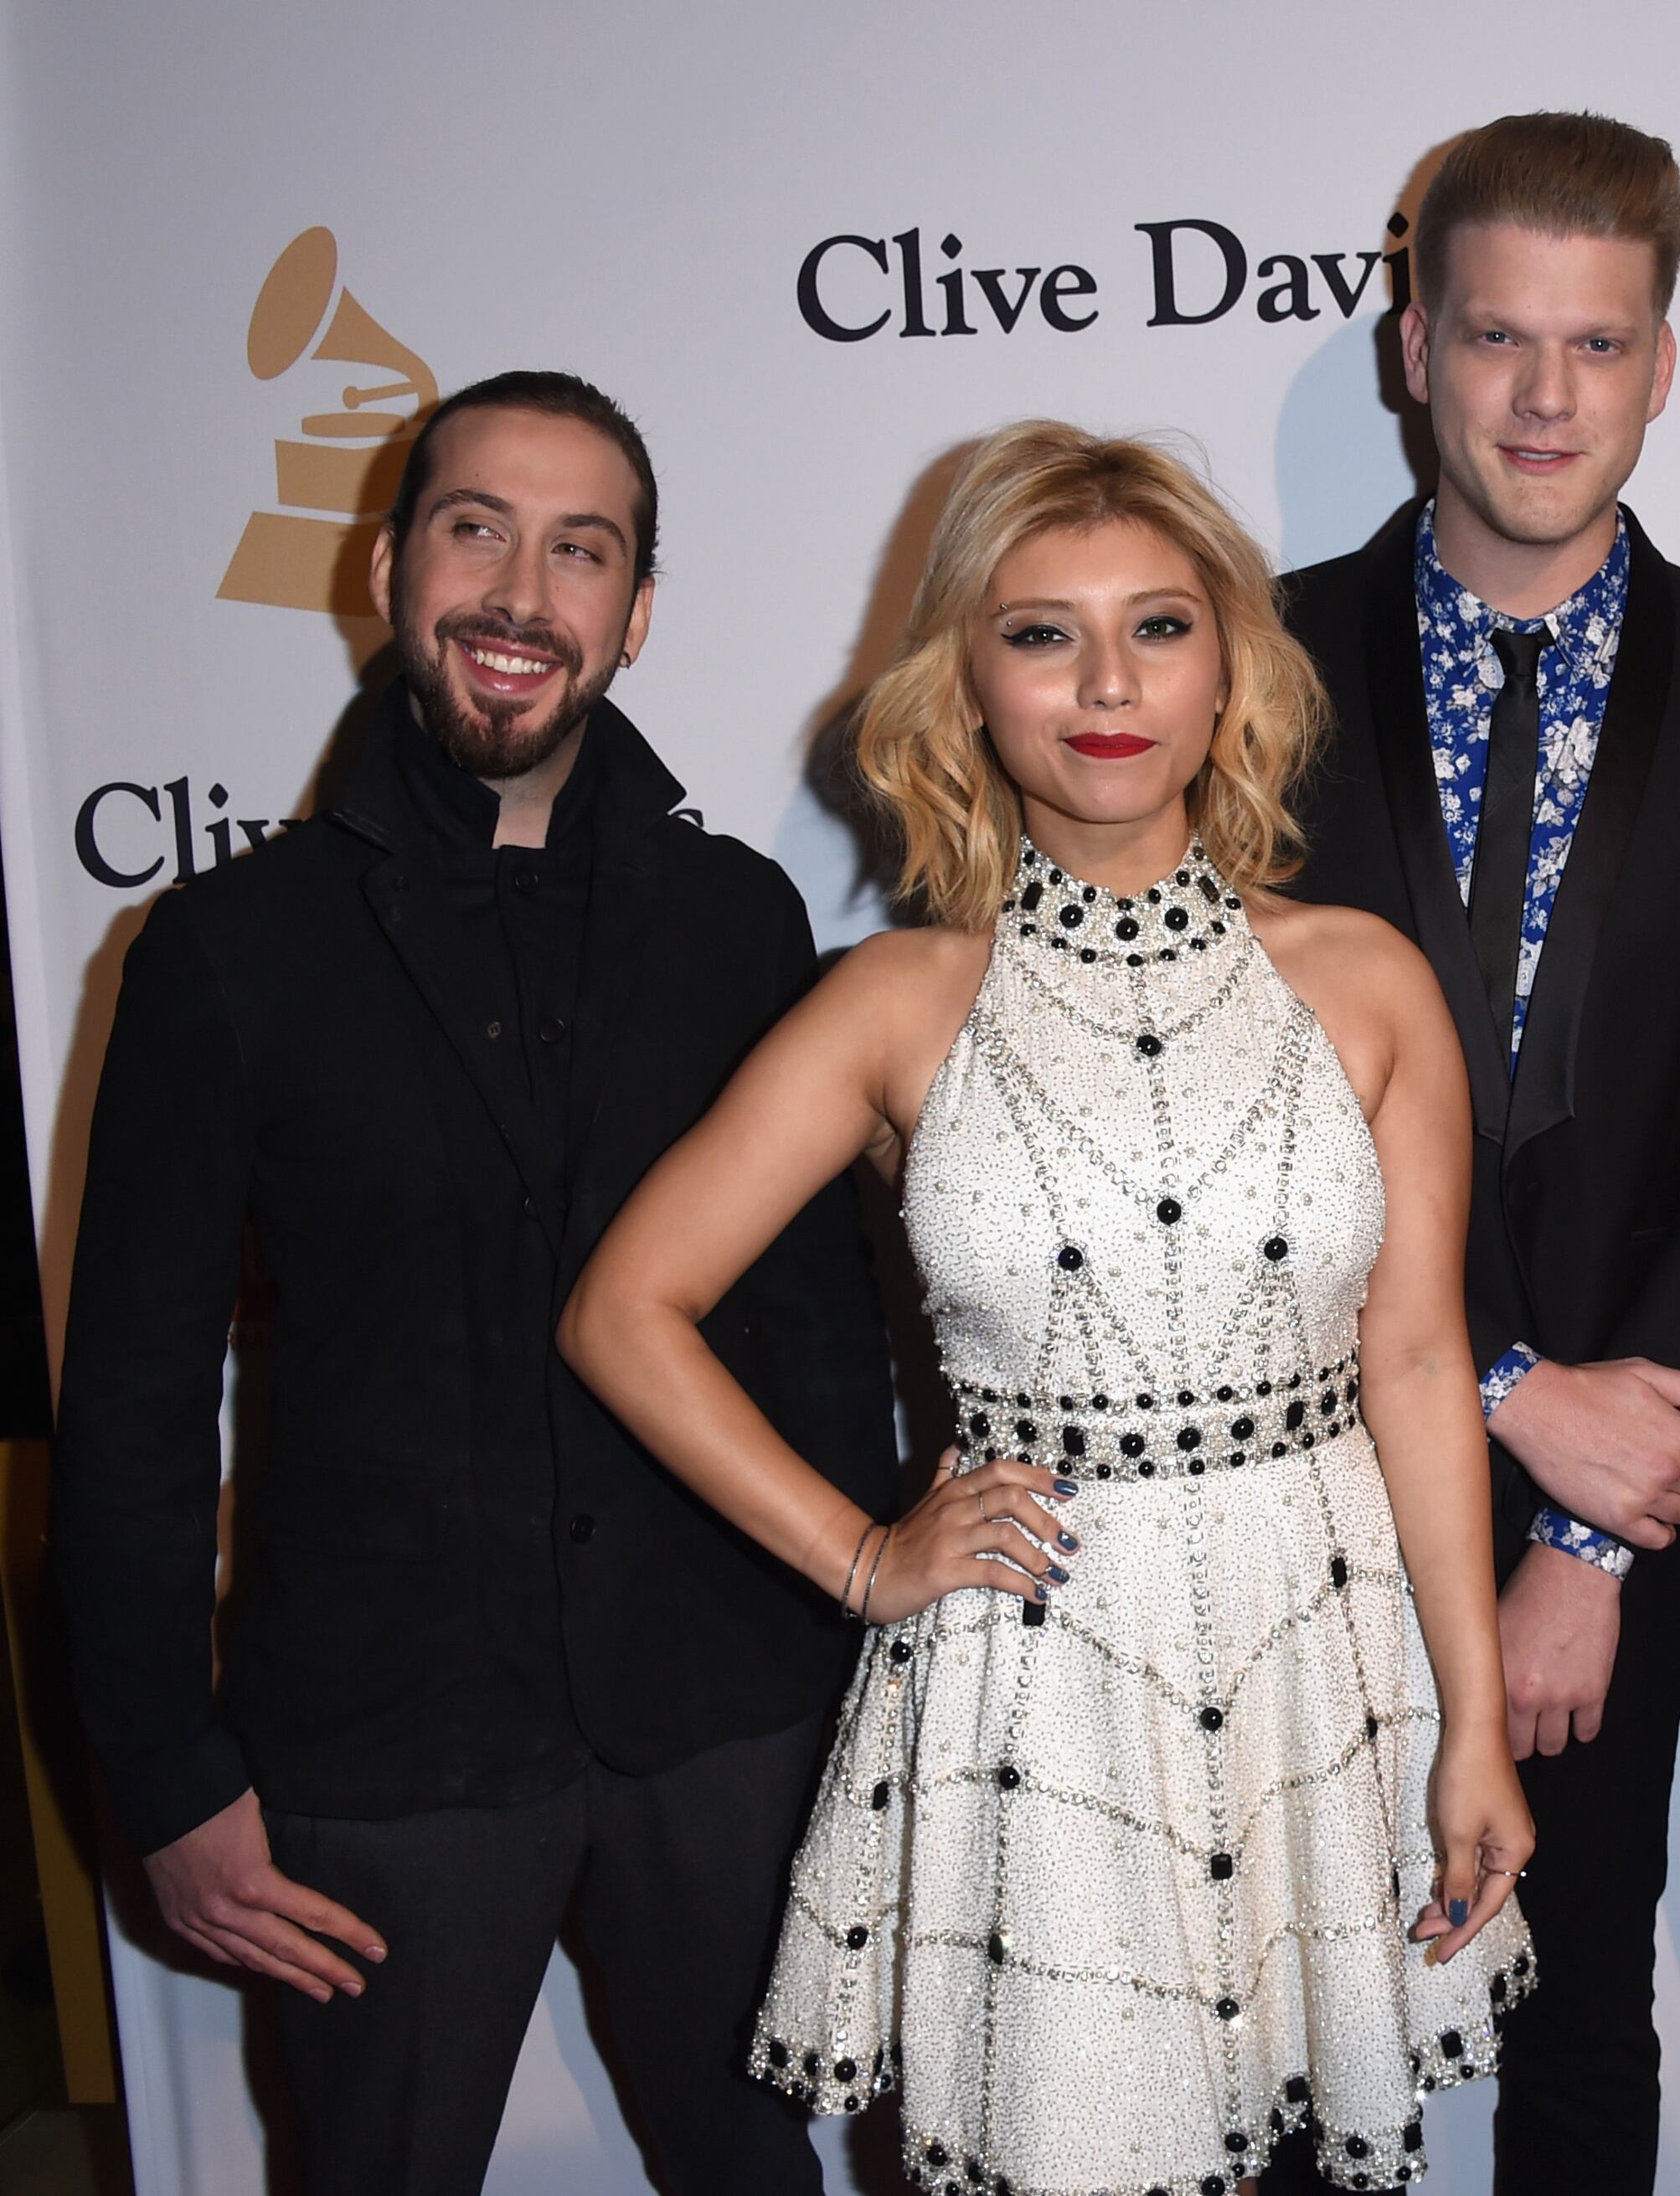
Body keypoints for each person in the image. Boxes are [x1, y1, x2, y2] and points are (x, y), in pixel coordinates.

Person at [557, 420, 1535, 2196]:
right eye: (1040, 632)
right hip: (1042, 1686)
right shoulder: (895, 1003)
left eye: (1159, 626)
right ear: (965, 685)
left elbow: (1412, 1358)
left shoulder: (1368, 980)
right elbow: (628, 1310)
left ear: (1230, 666)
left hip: (1320, 1656)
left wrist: (1474, 1716)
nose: (1106, 683)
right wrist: (864, 1557)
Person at [51, 371, 896, 2196]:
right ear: (385, 568)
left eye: (579, 549)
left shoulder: (738, 921)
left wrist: (864, 1707)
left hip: (724, 1729)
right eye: (476, 529)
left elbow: (822, 1345)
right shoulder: (217, 953)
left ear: (637, 613)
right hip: (381, 1752)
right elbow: (128, 1398)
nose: (523, 593)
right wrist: (163, 1768)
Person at [1271, 111, 1680, 2194]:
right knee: (1287, 2041)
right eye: (1498, 338)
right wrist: (1509, 1402)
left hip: (1631, 1496)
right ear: (1410, 344)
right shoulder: (1239, 666)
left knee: (1578, 2023)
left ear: (1664, 364)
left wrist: (1592, 1536)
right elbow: (1224, 1115)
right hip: (1294, 1488)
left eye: (1595, 346)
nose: (1542, 396)